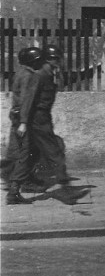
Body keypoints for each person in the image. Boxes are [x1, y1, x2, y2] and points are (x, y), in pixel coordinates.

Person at [28, 45, 72, 190]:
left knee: (34, 150)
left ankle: (26, 180)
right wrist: (24, 120)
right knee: (53, 147)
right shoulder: (41, 75)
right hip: (38, 116)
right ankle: (62, 178)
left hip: (42, 115)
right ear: (49, 59)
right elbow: (30, 98)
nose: (59, 61)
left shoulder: (50, 73)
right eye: (56, 59)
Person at [5, 46, 43, 205]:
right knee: (25, 154)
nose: (39, 63)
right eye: (37, 60)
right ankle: (14, 191)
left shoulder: (20, 73)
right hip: (24, 118)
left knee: (28, 150)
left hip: (17, 116)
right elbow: (26, 101)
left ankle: (27, 181)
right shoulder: (30, 76)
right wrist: (24, 122)